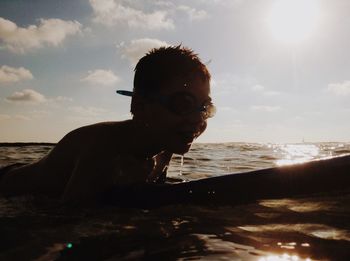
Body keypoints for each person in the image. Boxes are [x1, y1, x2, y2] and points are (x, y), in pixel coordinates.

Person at [0, 45, 216, 205]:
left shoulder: (166, 145)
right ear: (140, 105)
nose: (198, 119)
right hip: (8, 185)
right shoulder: (103, 147)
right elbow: (67, 219)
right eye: (184, 104)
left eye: (205, 107)